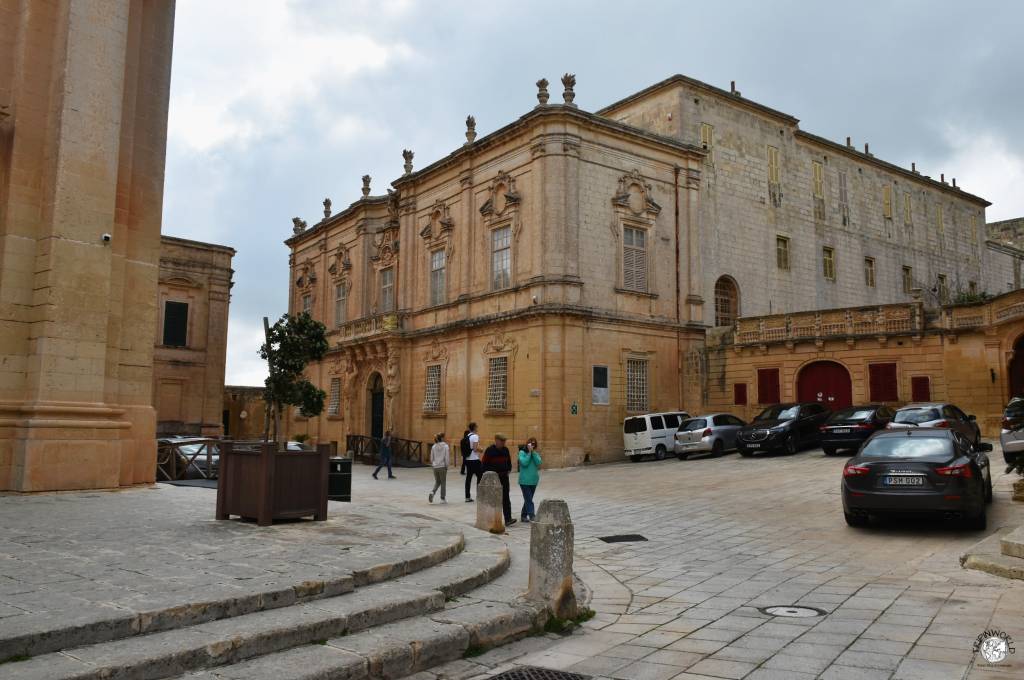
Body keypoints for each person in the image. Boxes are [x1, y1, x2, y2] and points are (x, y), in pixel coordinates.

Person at [482, 433, 516, 526]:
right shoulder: (489, 451)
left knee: (506, 498)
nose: (503, 443)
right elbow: (484, 465)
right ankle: (492, 519)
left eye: (504, 441)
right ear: (496, 440)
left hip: (504, 478)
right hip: (494, 479)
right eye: (502, 441)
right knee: (493, 499)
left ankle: (508, 519)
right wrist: (490, 476)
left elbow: (508, 462)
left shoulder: (506, 450)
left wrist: (509, 469)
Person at [517, 438, 542, 523]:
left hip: (533, 481)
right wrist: (529, 453)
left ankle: (523, 515)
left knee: (528, 498)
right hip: (524, 481)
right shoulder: (522, 453)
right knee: (528, 499)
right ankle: (532, 515)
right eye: (530, 443)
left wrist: (533, 453)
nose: (532, 445)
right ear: (527, 444)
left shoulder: (535, 454)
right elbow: (524, 463)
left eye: (534, 444)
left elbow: (539, 462)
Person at [463, 422, 482, 502]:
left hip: (468, 459)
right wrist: (481, 449)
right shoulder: (475, 436)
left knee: (468, 478)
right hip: (474, 459)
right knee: (480, 476)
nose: (477, 428)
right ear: (474, 427)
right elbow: (475, 449)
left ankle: (467, 497)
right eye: (476, 427)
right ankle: (479, 495)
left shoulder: (468, 436)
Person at [428, 432, 449, 503]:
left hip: (435, 467)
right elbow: (446, 457)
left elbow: (431, 458)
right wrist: (447, 465)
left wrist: (433, 464)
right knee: (443, 482)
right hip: (442, 466)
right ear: (442, 438)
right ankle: (442, 498)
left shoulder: (433, 447)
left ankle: (432, 492)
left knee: (437, 481)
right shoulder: (446, 446)